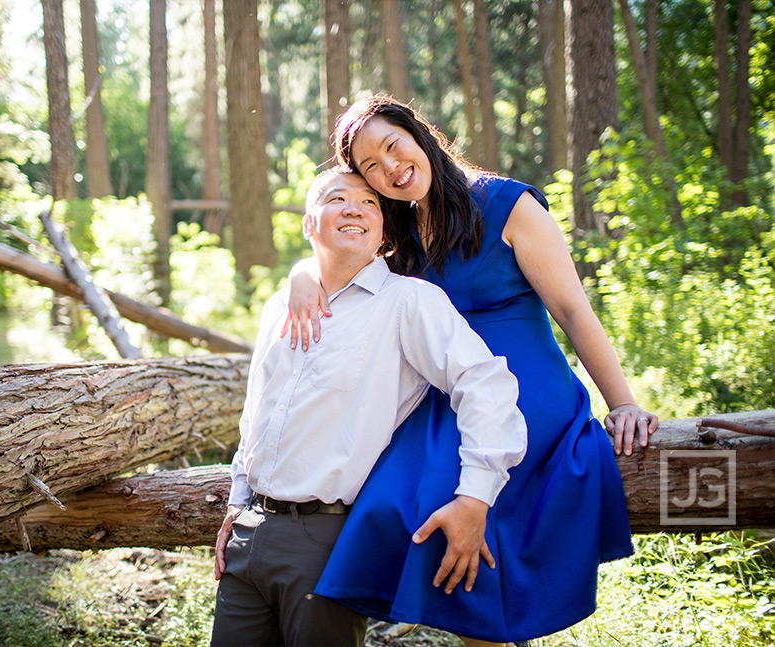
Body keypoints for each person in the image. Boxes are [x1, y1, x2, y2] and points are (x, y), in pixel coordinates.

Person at [283, 95, 660, 645]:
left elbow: (574, 311)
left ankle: (494, 629)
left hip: (529, 392)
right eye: (370, 167)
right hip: (448, 399)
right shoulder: (398, 233)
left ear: (419, 134)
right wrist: (301, 274)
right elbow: (335, 251)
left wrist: (621, 401)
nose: (390, 168)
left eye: (393, 146)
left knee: (450, 492)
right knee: (389, 499)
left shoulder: (508, 205)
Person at [211, 165, 528, 647]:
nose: (355, 208)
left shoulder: (407, 302)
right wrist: (238, 501)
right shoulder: (279, 305)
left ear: (383, 232)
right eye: (338, 198)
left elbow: (485, 382)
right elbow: (257, 410)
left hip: (326, 539)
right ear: (308, 222)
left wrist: (476, 494)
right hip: (249, 533)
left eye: (371, 203)